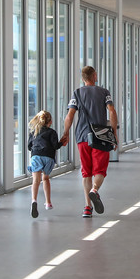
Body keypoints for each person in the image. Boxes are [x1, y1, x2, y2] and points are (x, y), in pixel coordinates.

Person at [60, 66, 118, 218]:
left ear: (83, 78)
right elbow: (111, 111)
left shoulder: (77, 93)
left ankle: (87, 207)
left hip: (82, 136)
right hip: (100, 136)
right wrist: (114, 133)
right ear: (94, 76)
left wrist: (65, 133)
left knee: (86, 173)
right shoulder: (104, 92)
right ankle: (95, 190)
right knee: (100, 171)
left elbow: (70, 115)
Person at [27, 110, 65, 218]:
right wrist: (62, 142)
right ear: (50, 122)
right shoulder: (52, 132)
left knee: (36, 180)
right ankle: (48, 203)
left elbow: (29, 147)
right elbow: (55, 146)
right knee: (46, 179)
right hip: (48, 157)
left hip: (36, 156)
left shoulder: (33, 132)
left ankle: (34, 200)